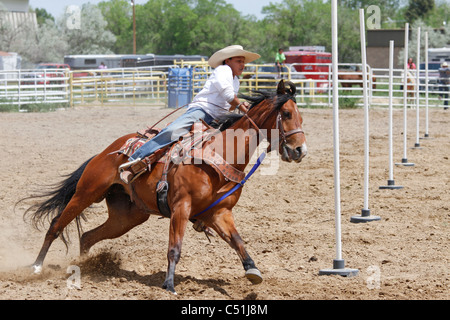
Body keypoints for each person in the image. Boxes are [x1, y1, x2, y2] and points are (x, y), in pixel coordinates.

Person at [118, 45, 261, 183]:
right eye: (239, 61)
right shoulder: (223, 70)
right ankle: (133, 161)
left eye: (243, 62)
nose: (242, 65)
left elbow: (229, 103)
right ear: (227, 60)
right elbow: (228, 94)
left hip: (218, 118)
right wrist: (243, 108)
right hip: (202, 112)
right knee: (172, 131)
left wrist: (239, 107)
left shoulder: (235, 80)